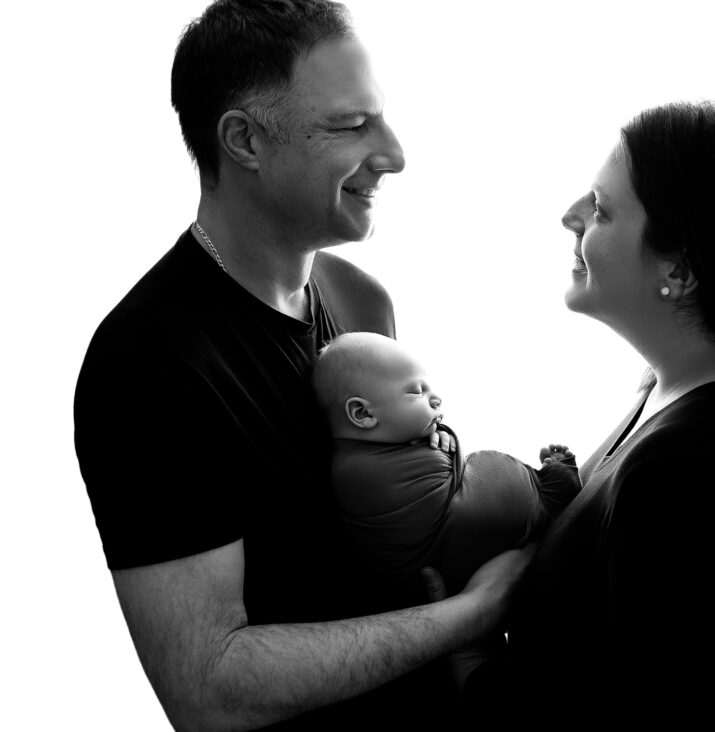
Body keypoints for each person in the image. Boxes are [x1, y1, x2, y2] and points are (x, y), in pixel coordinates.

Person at [73, 1, 532, 729]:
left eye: (380, 117)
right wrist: (472, 615)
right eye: (352, 126)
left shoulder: (361, 299)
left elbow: (405, 538)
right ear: (244, 140)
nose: (395, 153)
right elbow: (209, 688)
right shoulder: (148, 363)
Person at [447, 101, 715, 728]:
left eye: (602, 209)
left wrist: (467, 652)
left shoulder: (699, 468)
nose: (570, 216)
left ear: (679, 270)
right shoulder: (676, 386)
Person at [312, 331, 580, 597]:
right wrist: (446, 439)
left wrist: (433, 430)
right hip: (448, 553)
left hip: (445, 571)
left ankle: (544, 494)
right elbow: (445, 469)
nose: (436, 398)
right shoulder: (356, 474)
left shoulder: (367, 451)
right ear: (363, 413)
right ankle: (551, 490)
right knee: (493, 479)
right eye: (416, 391)